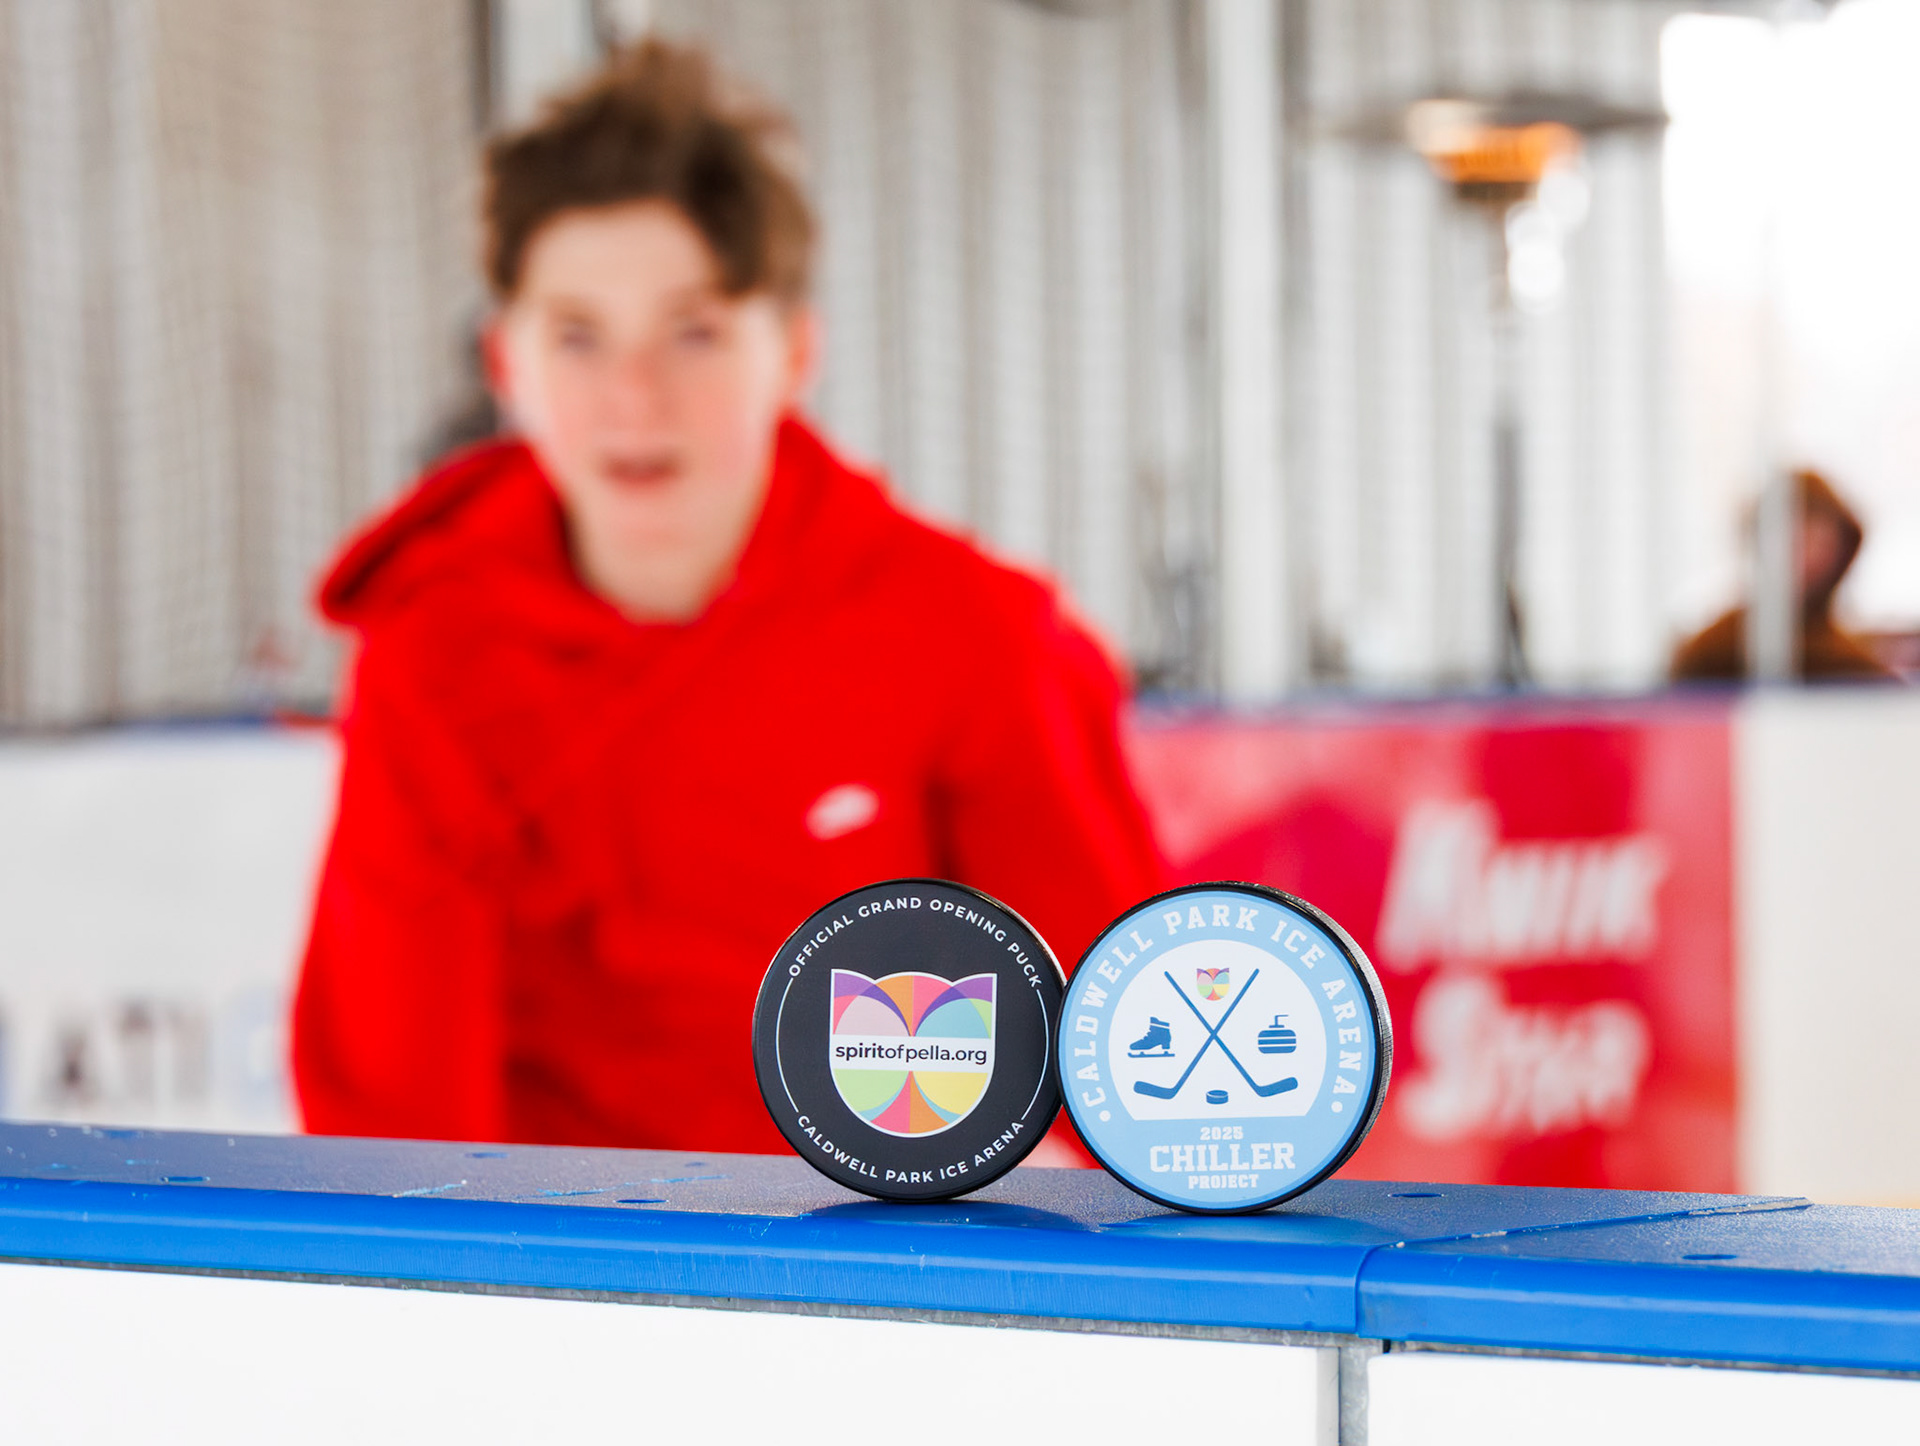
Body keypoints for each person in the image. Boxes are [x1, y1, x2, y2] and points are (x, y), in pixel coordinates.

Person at [292, 39, 1164, 1154]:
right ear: (506, 362)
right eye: (577, 335)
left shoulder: (969, 634)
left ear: (793, 350)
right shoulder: (437, 650)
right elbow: (391, 1113)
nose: (634, 396)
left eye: (694, 331)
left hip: (884, 1246)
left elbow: (1132, 1073)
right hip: (554, 1252)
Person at [1671, 468, 1895, 683]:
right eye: (1793, 542)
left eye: (1818, 543)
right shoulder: (1712, 652)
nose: (1805, 558)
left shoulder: (1854, 667)